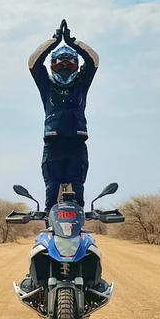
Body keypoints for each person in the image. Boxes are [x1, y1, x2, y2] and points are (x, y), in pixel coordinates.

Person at [27, 19, 100, 208]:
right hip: (53, 146)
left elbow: (94, 61)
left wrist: (73, 42)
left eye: (69, 65)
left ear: (76, 66)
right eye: (60, 66)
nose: (65, 68)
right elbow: (33, 64)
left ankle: (79, 234)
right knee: (51, 196)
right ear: (53, 67)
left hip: (77, 145)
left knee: (78, 195)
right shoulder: (47, 85)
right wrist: (53, 41)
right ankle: (51, 232)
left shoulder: (81, 84)